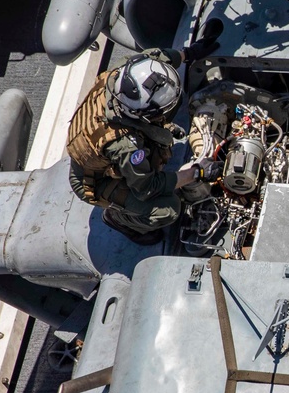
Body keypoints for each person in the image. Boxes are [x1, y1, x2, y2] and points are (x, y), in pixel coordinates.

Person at [66, 48, 221, 245]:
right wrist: (196, 173)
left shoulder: (126, 71)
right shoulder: (125, 146)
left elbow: (157, 57)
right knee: (168, 210)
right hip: (94, 180)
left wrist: (190, 51)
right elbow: (148, 188)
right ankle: (118, 219)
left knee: (174, 102)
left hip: (111, 141)